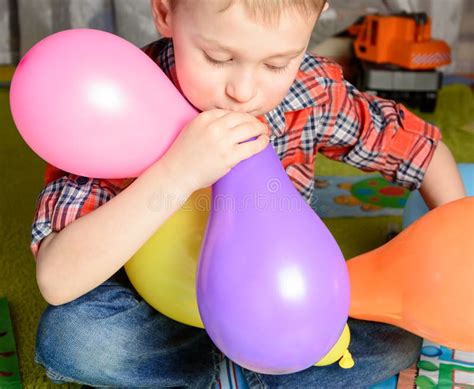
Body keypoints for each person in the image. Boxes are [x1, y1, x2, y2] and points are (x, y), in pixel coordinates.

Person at [31, 0, 466, 387]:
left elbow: (421, 150)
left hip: (283, 310)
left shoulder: (310, 90)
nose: (243, 91)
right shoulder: (118, 94)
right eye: (217, 57)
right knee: (74, 338)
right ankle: (238, 370)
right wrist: (176, 173)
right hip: (162, 314)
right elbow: (57, 279)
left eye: (276, 64)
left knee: (395, 338)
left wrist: (459, 255)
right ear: (165, 12)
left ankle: (242, 365)